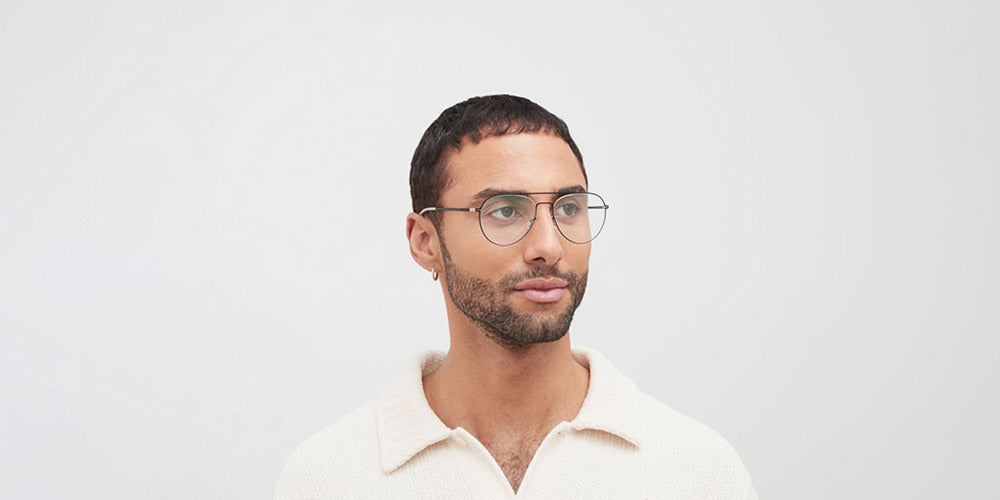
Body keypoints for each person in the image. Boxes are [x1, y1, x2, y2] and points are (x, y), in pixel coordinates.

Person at [274, 95, 757, 499]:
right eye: (505, 210)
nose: (549, 246)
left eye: (568, 208)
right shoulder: (327, 478)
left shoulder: (698, 471)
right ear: (425, 242)